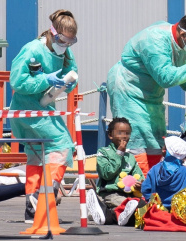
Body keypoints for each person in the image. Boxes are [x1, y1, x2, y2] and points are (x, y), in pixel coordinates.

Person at [107, 12, 186, 176]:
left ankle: (152, 184)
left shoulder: (182, 46)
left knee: (155, 139)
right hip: (128, 90)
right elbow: (165, 78)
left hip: (151, 96)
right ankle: (136, 187)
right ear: (182, 34)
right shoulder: (155, 40)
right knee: (135, 138)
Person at [9, 9, 79, 223]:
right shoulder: (32, 50)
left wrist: (66, 83)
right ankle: (45, 199)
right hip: (27, 109)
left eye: (71, 41)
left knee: (37, 156)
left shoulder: (64, 51)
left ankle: (33, 211)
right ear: (53, 33)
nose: (66, 44)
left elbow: (73, 71)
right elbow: (17, 81)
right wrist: (45, 81)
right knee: (62, 145)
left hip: (43, 108)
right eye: (62, 39)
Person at [86, 117, 144, 225]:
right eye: (120, 133)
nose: (124, 136)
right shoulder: (103, 152)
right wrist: (119, 154)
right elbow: (107, 174)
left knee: (143, 208)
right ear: (110, 135)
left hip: (130, 195)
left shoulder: (130, 157)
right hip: (111, 194)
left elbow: (138, 175)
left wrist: (140, 184)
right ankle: (106, 209)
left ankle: (107, 213)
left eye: (127, 133)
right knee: (127, 206)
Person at [141, 136, 186, 209]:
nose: (162, 147)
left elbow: (145, 189)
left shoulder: (155, 169)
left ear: (166, 151)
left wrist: (152, 201)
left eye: (164, 146)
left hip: (156, 208)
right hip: (178, 210)